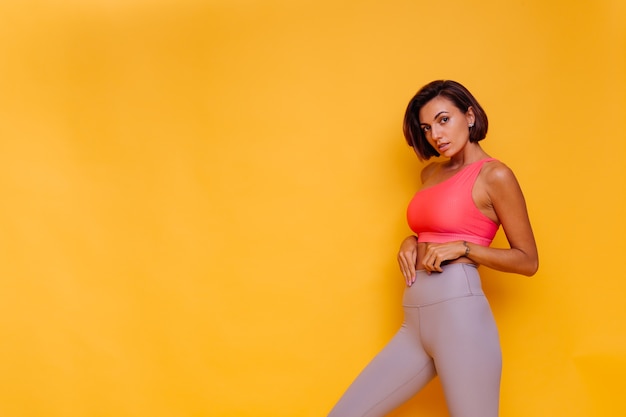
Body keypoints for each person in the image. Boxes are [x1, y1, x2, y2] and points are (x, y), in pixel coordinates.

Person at [327, 80, 538, 417]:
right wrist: (410, 241)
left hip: (461, 319)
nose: (436, 135)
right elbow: (432, 227)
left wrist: (465, 248)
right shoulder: (430, 174)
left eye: (443, 120)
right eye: (427, 128)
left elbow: (528, 261)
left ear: (469, 116)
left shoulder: (495, 175)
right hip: (414, 322)